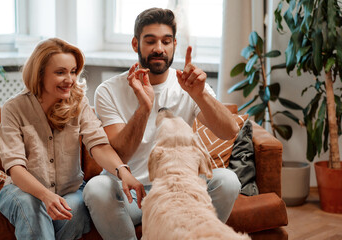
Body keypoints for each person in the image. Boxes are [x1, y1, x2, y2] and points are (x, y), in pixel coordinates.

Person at [83, 8, 241, 240]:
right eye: (150, 41)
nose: (159, 48)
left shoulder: (190, 85)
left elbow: (230, 131)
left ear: (175, 44)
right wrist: (144, 108)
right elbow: (121, 154)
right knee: (96, 189)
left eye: (166, 41)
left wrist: (200, 95)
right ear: (135, 43)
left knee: (227, 181)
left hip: (181, 190)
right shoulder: (108, 90)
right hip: (131, 194)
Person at [0, 38, 145, 240]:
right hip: (22, 190)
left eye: (73, 71)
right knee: (33, 207)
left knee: (72, 211)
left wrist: (123, 172)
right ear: (39, 74)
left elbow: (98, 145)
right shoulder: (14, 108)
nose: (70, 79)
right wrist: (45, 196)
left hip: (71, 189)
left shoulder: (79, 104)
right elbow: (15, 168)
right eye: (60, 72)